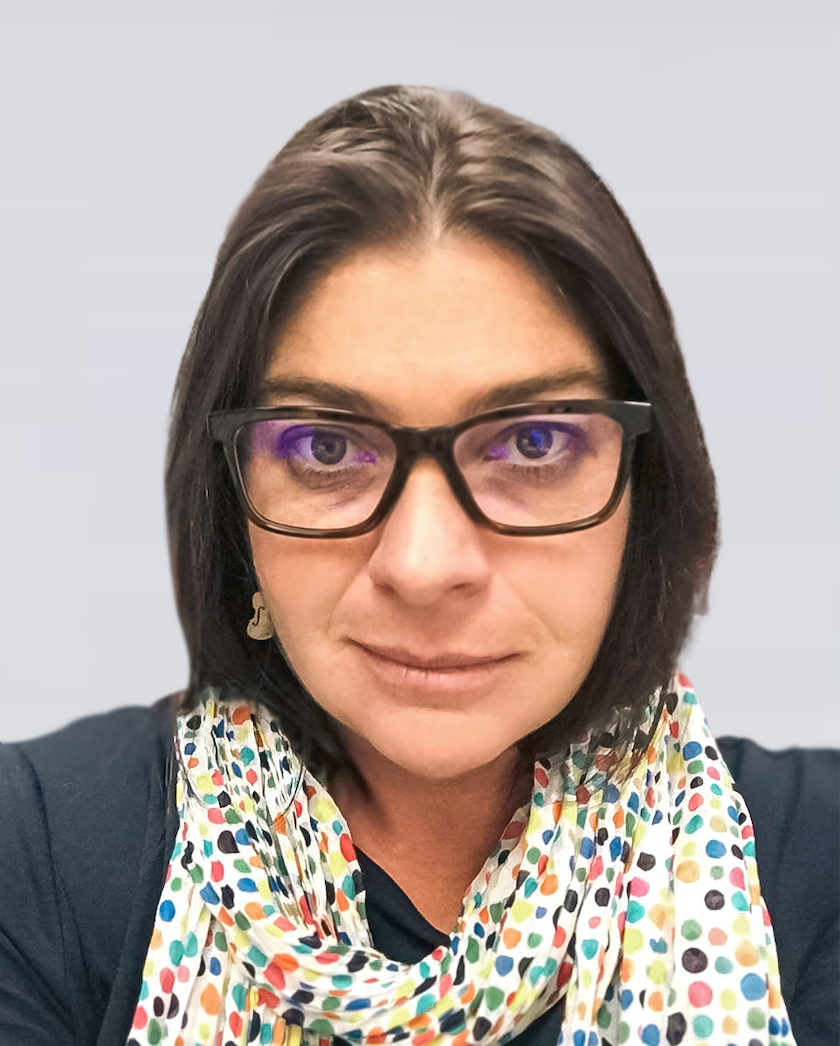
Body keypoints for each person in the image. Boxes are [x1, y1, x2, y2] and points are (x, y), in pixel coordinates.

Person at [0, 85, 836, 1046]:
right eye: (323, 449)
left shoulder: (819, 857)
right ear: (233, 511)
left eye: (532, 443)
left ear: (648, 494)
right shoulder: (41, 854)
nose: (425, 564)